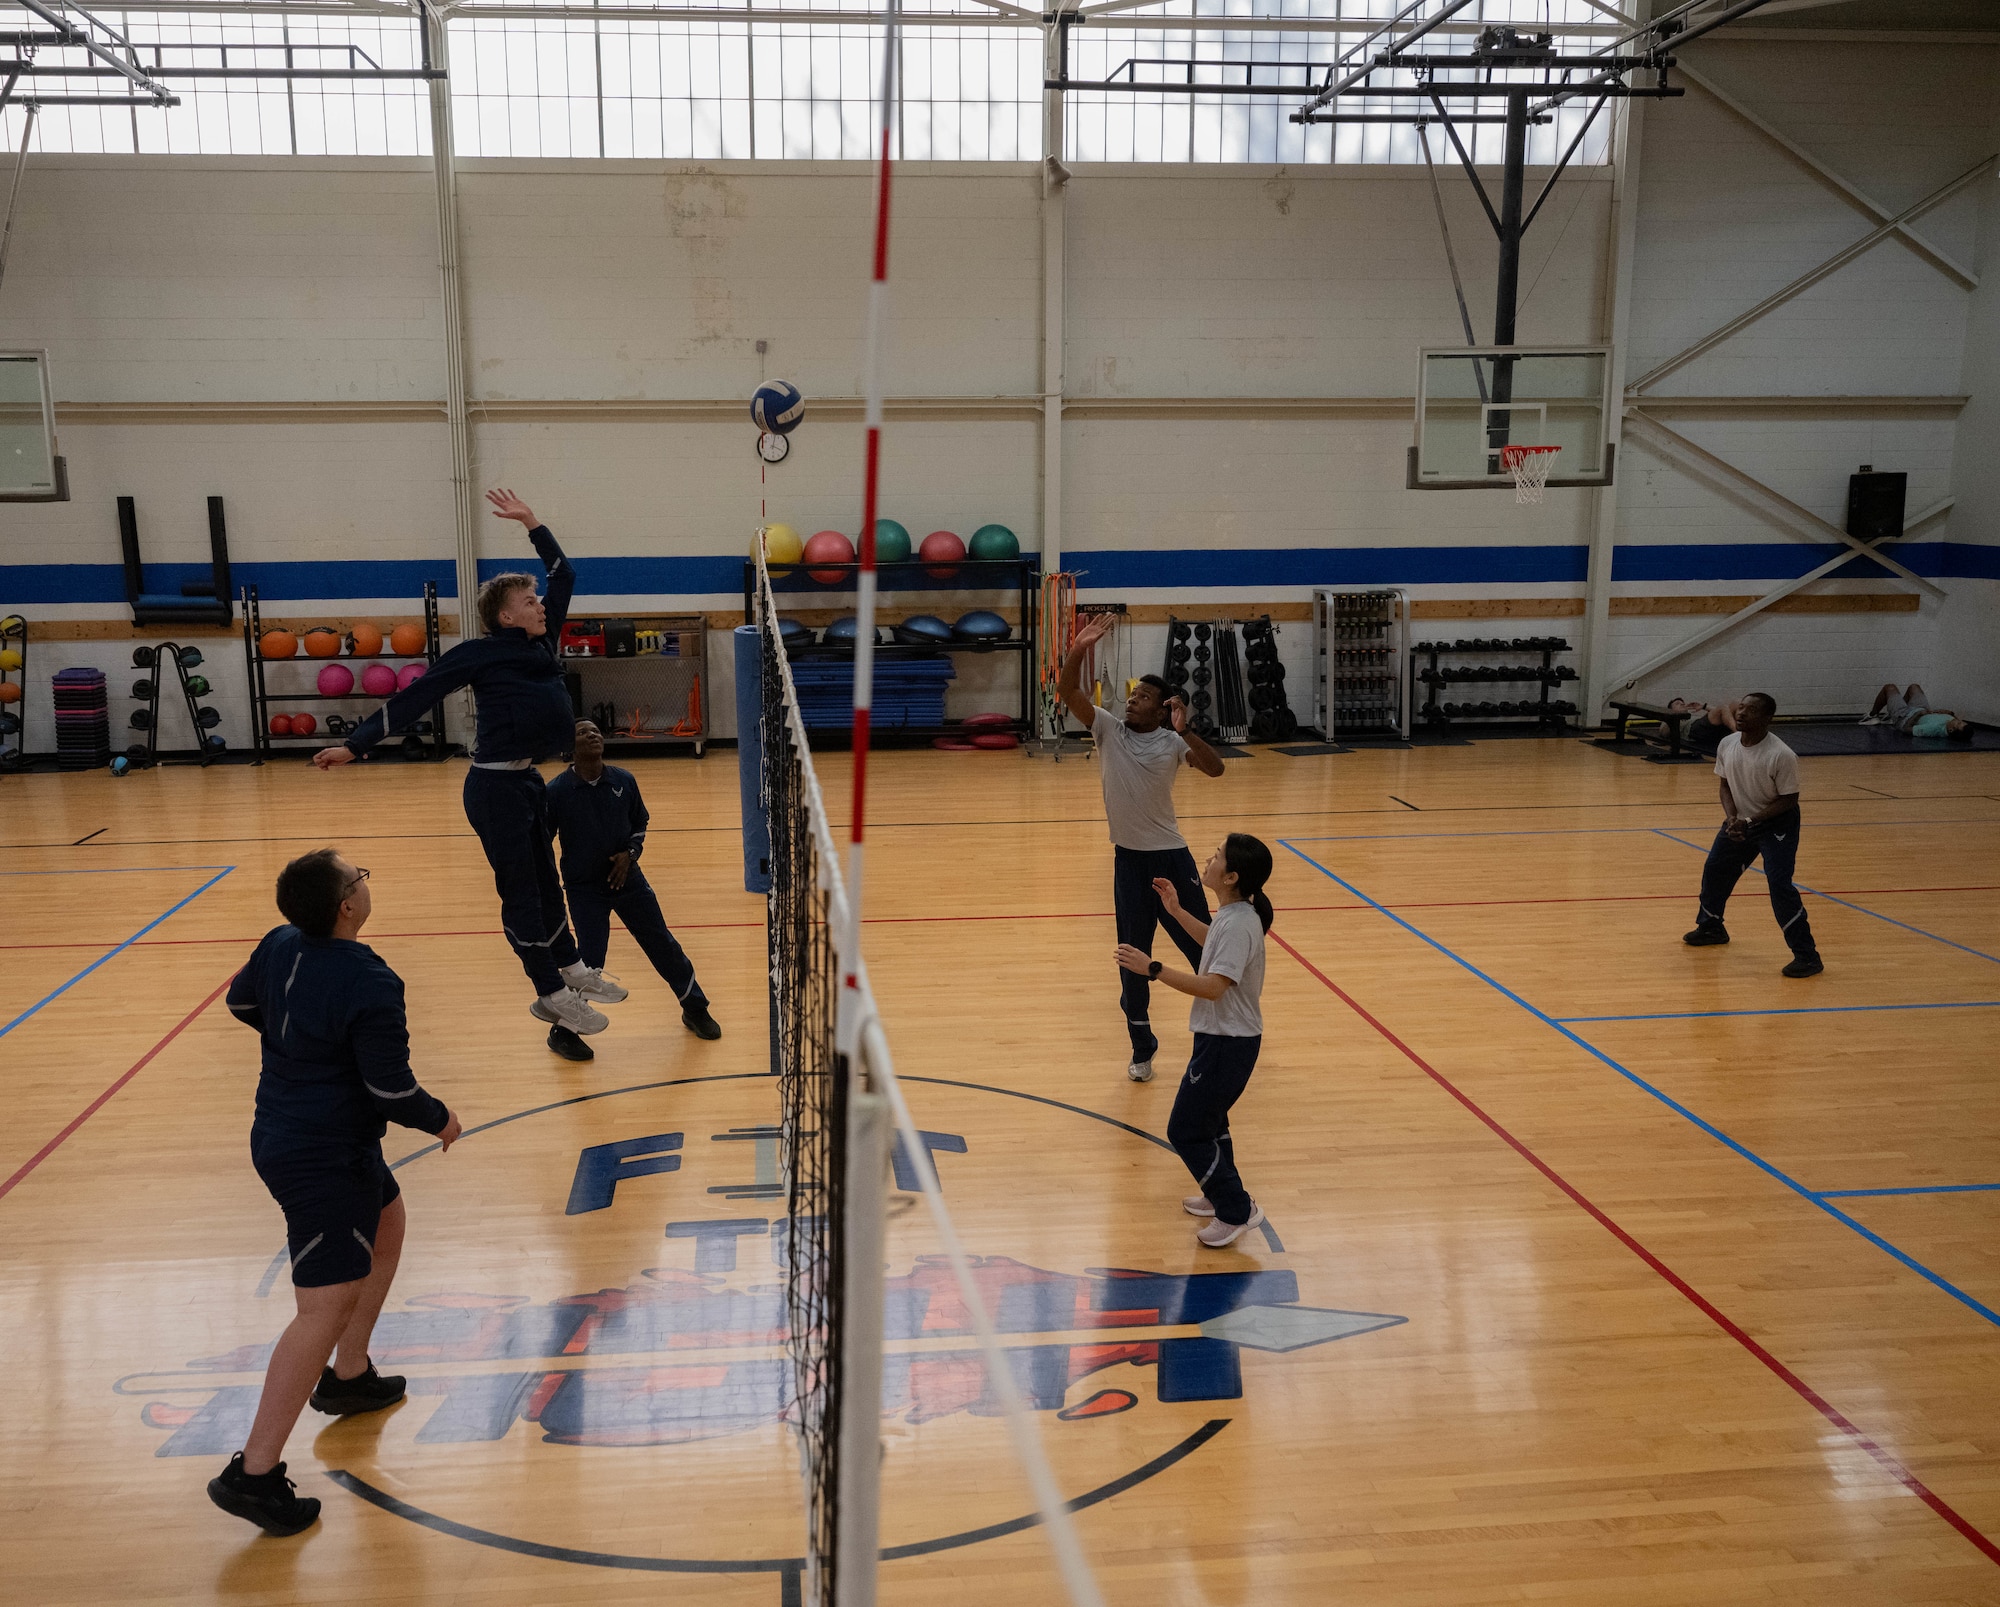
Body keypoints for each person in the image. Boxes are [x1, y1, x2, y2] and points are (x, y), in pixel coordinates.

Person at [208, 848, 463, 1537]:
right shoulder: (370, 979)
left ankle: (349, 1375)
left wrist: (303, 1047)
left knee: (387, 1221)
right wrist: (441, 1117)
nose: (364, 881)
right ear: (348, 906)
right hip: (321, 1157)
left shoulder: (279, 942)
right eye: (359, 877)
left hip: (297, 1132)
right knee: (320, 1310)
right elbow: (391, 1090)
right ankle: (255, 1473)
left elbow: (241, 1001)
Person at [314, 489, 624, 1039]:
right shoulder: (480, 653)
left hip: (528, 782)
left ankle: (571, 967)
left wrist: (532, 522)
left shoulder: (543, 641)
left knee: (547, 883)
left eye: (537, 599)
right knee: (522, 895)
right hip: (493, 790)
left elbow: (566, 575)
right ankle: (550, 994)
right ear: (506, 616)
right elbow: (418, 694)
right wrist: (356, 745)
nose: (541, 605)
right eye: (529, 601)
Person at [1059, 614, 1227, 1082]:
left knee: (1203, 949)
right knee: (1132, 959)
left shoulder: (1173, 742)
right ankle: (1142, 1047)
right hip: (1129, 863)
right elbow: (1068, 690)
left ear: (1162, 711)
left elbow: (1215, 770)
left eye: (1144, 697)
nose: (1133, 700)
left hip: (1171, 859)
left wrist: (1185, 730)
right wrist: (1079, 647)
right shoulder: (1108, 730)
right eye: (1133, 695)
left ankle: (1221, 1029)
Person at [1115, 833, 1274, 1248]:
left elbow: (1213, 987)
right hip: (1221, 1040)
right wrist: (1176, 911)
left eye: (1218, 856)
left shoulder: (1239, 924)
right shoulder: (1234, 914)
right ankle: (1219, 1194)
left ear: (1232, 876)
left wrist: (1153, 969)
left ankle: (1236, 1209)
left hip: (1228, 1044)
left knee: (1185, 1129)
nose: (1209, 859)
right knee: (1211, 1122)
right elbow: (1211, 939)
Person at [545, 719, 721, 1054]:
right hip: (585, 888)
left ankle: (695, 1008)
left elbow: (640, 822)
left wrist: (630, 854)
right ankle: (564, 1032)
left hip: (629, 880)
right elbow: (543, 840)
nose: (592, 735)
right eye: (582, 732)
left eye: (596, 731)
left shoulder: (623, 781)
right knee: (588, 964)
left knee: (662, 944)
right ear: (570, 747)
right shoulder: (556, 791)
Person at [1683, 691, 1824, 977]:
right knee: (1715, 869)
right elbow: (1725, 785)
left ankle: (1807, 956)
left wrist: (1750, 820)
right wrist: (1732, 818)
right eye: (1741, 707)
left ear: (1767, 718)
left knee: (1779, 886)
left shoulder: (1781, 755)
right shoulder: (1727, 744)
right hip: (1741, 821)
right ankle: (1711, 927)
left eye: (1751, 710)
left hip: (1776, 824)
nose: (1742, 713)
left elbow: (1789, 800)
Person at [1862, 683, 1973, 741]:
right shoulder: (1951, 722)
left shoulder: (1932, 729)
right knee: (1914, 687)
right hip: (1922, 709)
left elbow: (1906, 729)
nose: (1958, 720)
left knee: (1889, 688)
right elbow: (1955, 719)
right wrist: (1950, 713)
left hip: (1904, 716)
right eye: (1961, 721)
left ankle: (1872, 715)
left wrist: (1917, 715)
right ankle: (1893, 711)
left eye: (1958, 723)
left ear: (1951, 729)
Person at [1669, 696, 1737, 755]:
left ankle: (1740, 735)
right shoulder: (1671, 720)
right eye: (1677, 703)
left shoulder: (1692, 717)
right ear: (1670, 710)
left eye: (1682, 703)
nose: (1682, 704)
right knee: (1723, 708)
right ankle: (1739, 734)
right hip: (1692, 729)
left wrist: (1703, 706)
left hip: (1705, 728)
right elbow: (1664, 730)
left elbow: (1723, 712)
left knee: (1735, 705)